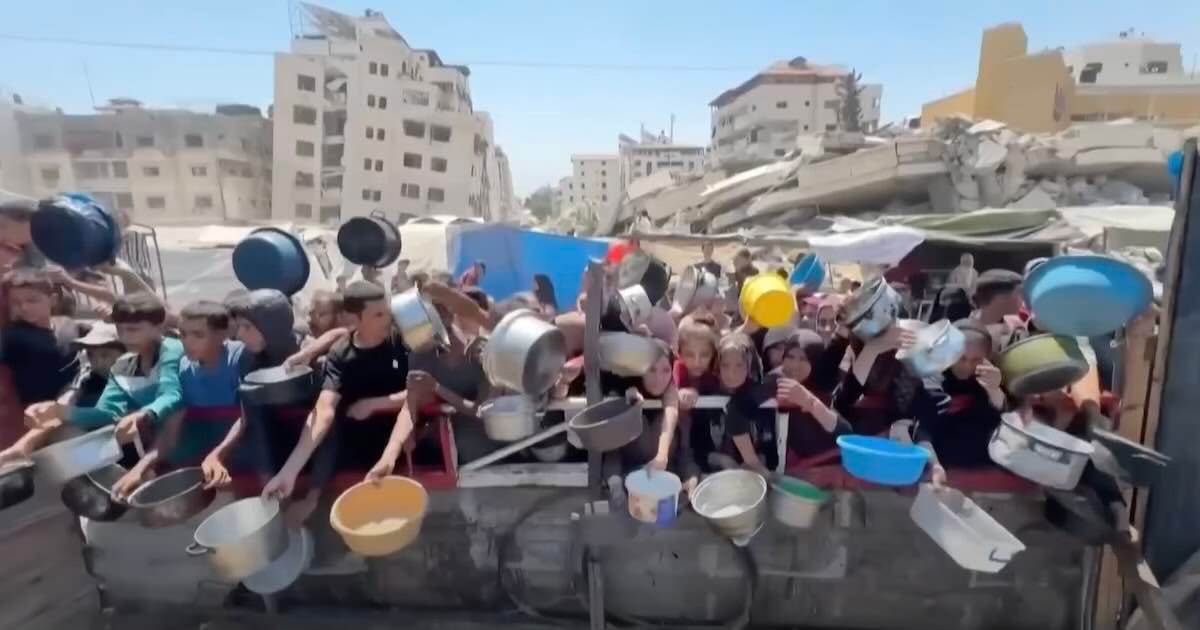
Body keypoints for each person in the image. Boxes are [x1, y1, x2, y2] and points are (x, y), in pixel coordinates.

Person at [263, 281, 412, 505]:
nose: (388, 319)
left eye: (387, 311)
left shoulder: (403, 341)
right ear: (354, 318)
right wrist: (289, 471)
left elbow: (422, 392)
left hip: (405, 451)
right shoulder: (340, 355)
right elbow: (323, 411)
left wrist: (375, 404)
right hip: (356, 458)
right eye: (378, 315)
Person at [20, 293, 183, 463]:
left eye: (134, 330)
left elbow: (172, 395)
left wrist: (143, 414)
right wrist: (56, 411)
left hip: (185, 445)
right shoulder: (122, 365)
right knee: (63, 461)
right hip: (150, 449)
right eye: (121, 330)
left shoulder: (172, 351)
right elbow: (108, 413)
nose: (126, 337)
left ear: (159, 327)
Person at [112, 301, 250, 498]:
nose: (188, 342)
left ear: (222, 335)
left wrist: (217, 455)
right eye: (183, 334)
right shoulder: (184, 368)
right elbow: (172, 427)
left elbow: (248, 415)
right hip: (211, 461)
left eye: (198, 335)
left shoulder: (240, 358)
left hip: (248, 456)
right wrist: (140, 468)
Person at [910, 321, 1006, 488]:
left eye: (976, 359)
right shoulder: (932, 379)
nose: (967, 366)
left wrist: (994, 390)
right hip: (944, 458)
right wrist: (934, 465)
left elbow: (1004, 420)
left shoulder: (991, 376)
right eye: (961, 358)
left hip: (985, 461)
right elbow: (923, 428)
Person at [774, 330, 854, 460]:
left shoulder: (822, 389)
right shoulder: (774, 381)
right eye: (790, 357)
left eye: (804, 359)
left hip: (821, 470)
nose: (795, 365)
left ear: (815, 361)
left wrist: (809, 402)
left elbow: (846, 434)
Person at [970, 269, 1026, 354]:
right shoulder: (965, 335)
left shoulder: (1018, 324)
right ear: (1000, 298)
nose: (1024, 299)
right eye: (1020, 293)